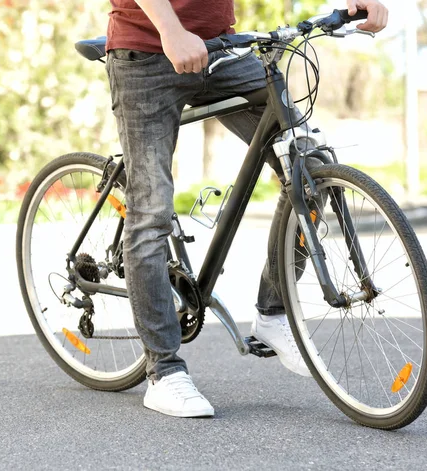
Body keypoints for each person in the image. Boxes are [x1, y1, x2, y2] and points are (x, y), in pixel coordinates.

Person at [105, 0, 388, 418]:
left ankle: (273, 312)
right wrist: (170, 29)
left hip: (220, 51)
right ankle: (163, 370)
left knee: (308, 166)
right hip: (146, 53)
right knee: (151, 213)